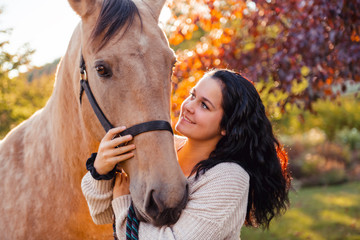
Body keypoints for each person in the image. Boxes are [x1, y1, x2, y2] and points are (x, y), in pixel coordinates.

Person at [81, 69, 291, 239]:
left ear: (227, 126)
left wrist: (123, 204)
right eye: (192, 95)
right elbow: (101, 214)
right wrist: (101, 170)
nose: (189, 106)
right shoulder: (160, 148)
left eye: (204, 105)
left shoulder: (230, 177)